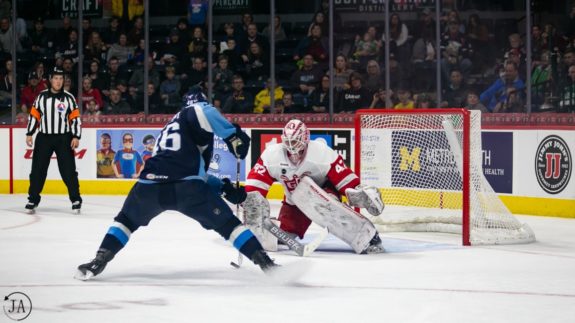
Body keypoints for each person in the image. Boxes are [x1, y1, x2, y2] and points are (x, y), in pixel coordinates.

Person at [75, 86, 277, 280]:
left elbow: (186, 170)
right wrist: (233, 136)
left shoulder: (168, 129)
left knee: (125, 221)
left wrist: (223, 188)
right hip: (186, 189)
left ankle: (98, 260)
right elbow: (203, 113)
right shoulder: (196, 109)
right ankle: (265, 263)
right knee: (228, 225)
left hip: (149, 187)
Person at [244, 119, 385, 254]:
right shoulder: (272, 155)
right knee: (283, 237)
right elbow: (256, 183)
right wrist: (252, 204)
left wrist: (358, 192)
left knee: (327, 206)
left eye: (294, 141)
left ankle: (369, 236)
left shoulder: (321, 153)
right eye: (288, 141)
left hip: (325, 193)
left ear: (305, 139)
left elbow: (343, 178)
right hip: (295, 201)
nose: (291, 145)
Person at [24, 67, 82, 213]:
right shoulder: (41, 97)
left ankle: (75, 199)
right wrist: (30, 133)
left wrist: (76, 136)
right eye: (55, 78)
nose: (58, 81)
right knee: (38, 169)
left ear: (64, 81)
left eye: (61, 79)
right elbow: (34, 116)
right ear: (50, 80)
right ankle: (33, 199)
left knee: (68, 170)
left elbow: (75, 119)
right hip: (44, 138)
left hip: (64, 138)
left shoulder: (69, 98)